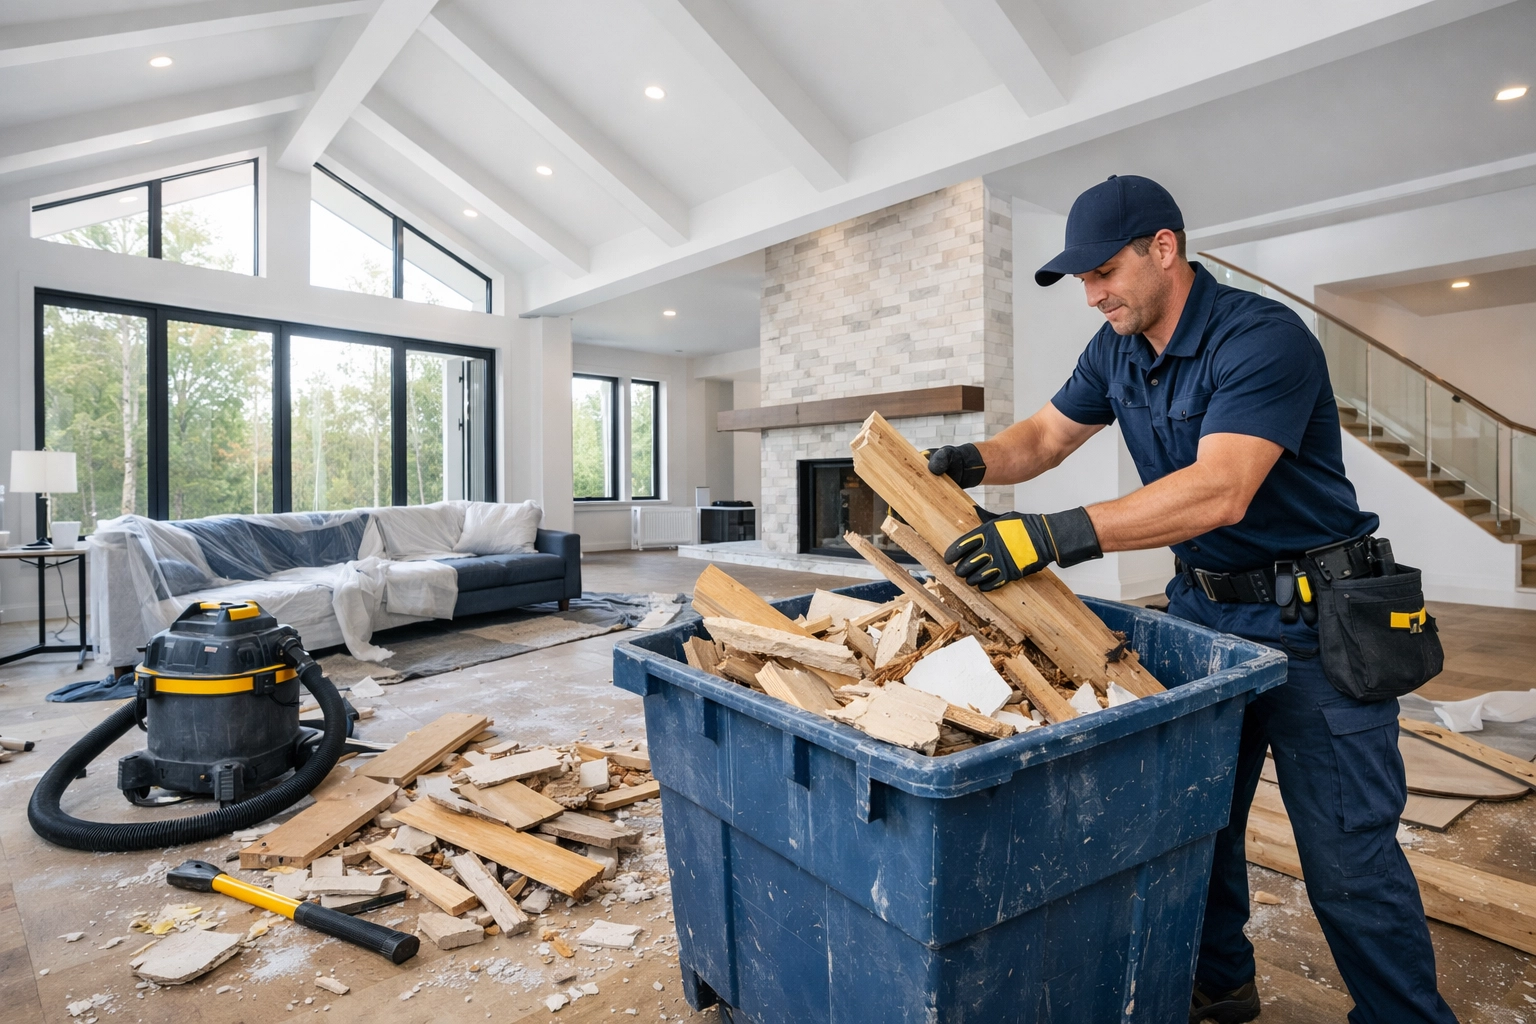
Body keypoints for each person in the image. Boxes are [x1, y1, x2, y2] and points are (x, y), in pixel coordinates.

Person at [925, 175, 1455, 1024]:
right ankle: (1221, 983)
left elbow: (1221, 490)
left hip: (1320, 623)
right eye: (1082, 281)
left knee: (1347, 860)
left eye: (1102, 272)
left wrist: (1044, 536)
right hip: (1207, 613)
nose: (1093, 295)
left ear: (1162, 249)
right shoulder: (1116, 348)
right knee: (1193, 821)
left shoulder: (1263, 337)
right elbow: (1044, 437)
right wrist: (972, 461)